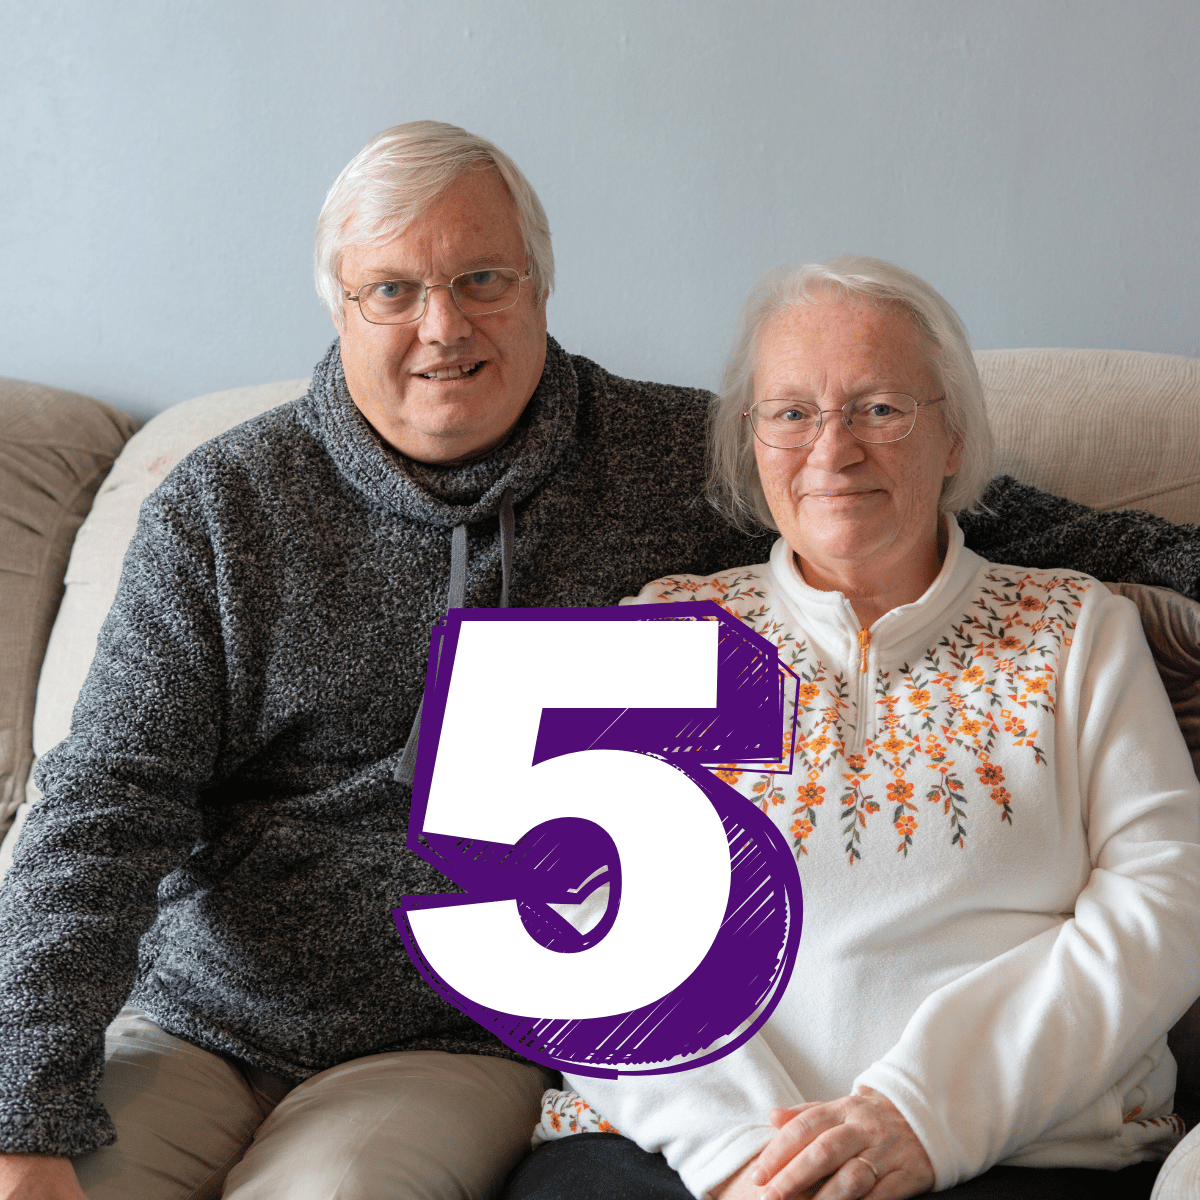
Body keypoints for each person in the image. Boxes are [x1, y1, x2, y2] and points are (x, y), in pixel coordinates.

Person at [0, 126, 1197, 1200]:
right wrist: (26, 1106)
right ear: (339, 306)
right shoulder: (224, 508)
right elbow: (102, 809)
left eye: (482, 279)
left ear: (540, 284)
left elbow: (937, 505)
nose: (443, 327)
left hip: (452, 1039)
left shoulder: (680, 456)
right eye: (392, 290)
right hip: (208, 1016)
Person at [505, 257, 1200, 1200]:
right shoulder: (665, 630)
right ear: (753, 442)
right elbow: (577, 928)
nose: (832, 450)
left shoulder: (1076, 631)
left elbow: (1168, 899)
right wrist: (749, 1157)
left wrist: (924, 1114)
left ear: (952, 435)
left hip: (1025, 1144)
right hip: (670, 1153)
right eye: (791, 413)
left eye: (879, 409)